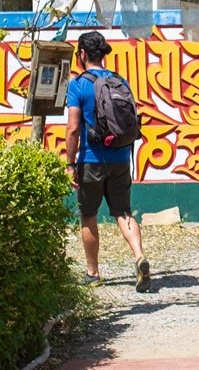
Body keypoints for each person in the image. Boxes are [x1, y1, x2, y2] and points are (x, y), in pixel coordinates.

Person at [62, 31, 150, 291]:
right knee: (123, 212)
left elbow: (73, 128)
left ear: (82, 55)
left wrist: (70, 163)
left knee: (88, 215)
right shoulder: (120, 80)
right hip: (122, 158)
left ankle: (93, 273)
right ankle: (139, 256)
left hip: (91, 160)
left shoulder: (78, 85)